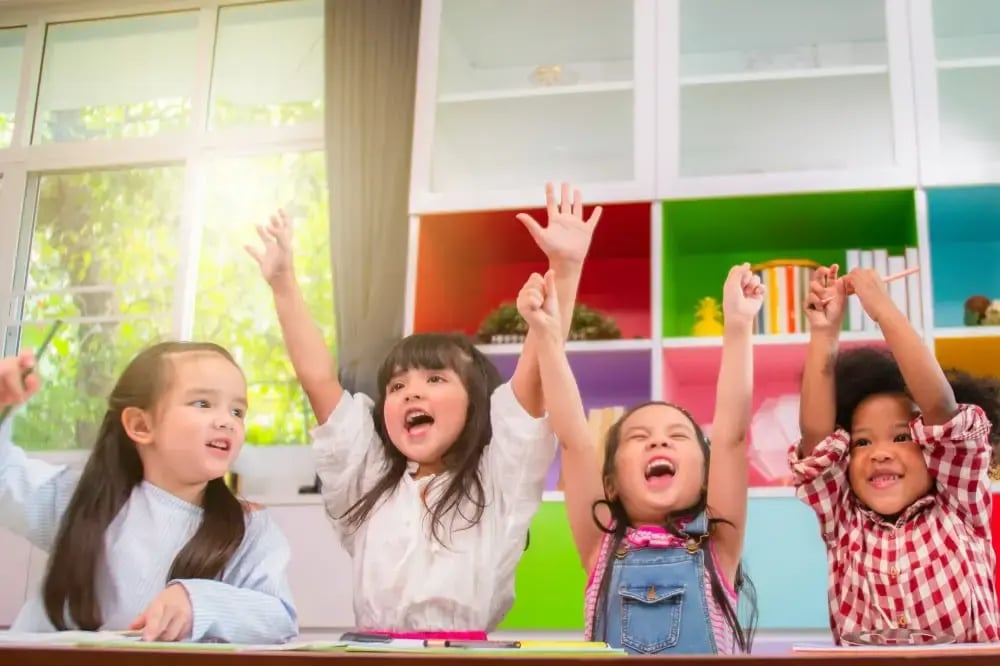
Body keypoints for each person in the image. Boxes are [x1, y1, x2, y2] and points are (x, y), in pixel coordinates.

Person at [247, 182, 601, 635]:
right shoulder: (367, 480)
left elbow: (535, 373)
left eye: (435, 379)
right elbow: (319, 380)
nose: (411, 393)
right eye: (396, 386)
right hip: (369, 654)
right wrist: (283, 285)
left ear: (476, 406)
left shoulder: (498, 480)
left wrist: (565, 270)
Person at [521, 263, 763, 654]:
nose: (657, 443)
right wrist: (547, 337)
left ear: (707, 477)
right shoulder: (599, 545)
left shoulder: (718, 543)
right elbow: (576, 443)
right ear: (611, 483)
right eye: (639, 437)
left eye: (677, 435)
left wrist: (737, 325)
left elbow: (732, 438)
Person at [0, 342, 297, 643]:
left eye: (237, 411)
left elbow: (279, 618)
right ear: (141, 425)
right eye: (203, 404)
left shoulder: (249, 528)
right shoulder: (79, 497)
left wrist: (199, 603)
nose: (227, 421)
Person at [791, 264, 1000, 643]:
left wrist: (882, 308)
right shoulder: (843, 520)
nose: (880, 454)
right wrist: (824, 332)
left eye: (901, 438)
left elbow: (939, 407)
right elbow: (817, 439)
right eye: (862, 442)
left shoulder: (959, 503)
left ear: (932, 448)